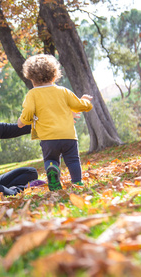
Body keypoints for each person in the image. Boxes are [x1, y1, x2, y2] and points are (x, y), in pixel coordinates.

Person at [17, 54, 93, 191]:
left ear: (31, 78)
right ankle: (78, 182)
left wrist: (22, 121)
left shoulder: (32, 94)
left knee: (50, 159)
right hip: (68, 135)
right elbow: (79, 105)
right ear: (54, 75)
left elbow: (28, 111)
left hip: (48, 138)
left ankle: (53, 174)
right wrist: (86, 101)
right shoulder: (63, 91)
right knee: (73, 160)